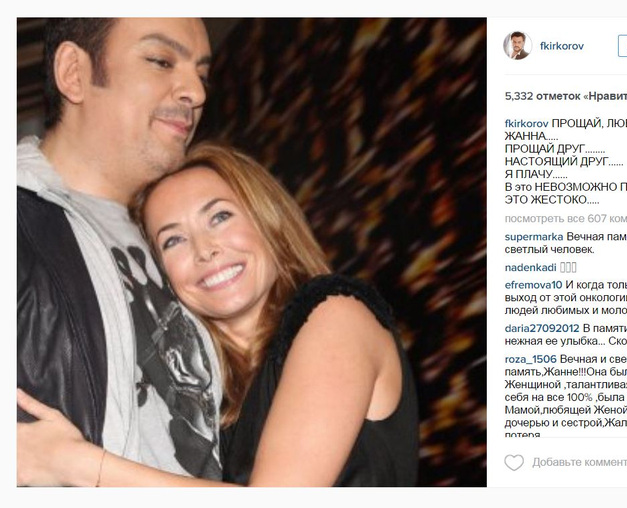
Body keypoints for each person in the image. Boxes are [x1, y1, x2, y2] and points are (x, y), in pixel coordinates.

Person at [17, 142, 420, 487]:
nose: (204, 250)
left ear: (267, 219)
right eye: (173, 240)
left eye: (219, 217)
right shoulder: (215, 404)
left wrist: (73, 463)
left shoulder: (337, 314)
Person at [17, 18, 223, 480]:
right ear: (74, 73)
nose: (196, 92)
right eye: (161, 61)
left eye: (202, 74)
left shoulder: (182, 240)